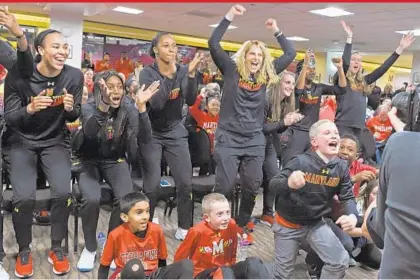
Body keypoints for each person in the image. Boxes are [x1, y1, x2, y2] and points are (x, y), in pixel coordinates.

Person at [209, 4, 296, 240]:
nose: (255, 58)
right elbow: (213, 43)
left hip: (254, 139)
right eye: (252, 54)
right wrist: (229, 16)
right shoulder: (230, 70)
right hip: (228, 137)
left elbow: (290, 54)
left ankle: (240, 223)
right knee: (225, 187)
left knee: (251, 186)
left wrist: (276, 30)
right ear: (245, 56)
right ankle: (217, 223)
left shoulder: (267, 74)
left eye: (259, 55)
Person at [4, 27, 83, 277]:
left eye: (64, 47)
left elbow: (76, 112)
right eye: (56, 46)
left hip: (54, 141)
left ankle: (56, 248)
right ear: (39, 50)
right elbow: (10, 117)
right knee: (24, 198)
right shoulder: (19, 75)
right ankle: (24, 250)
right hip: (20, 141)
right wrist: (29, 108)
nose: (62, 51)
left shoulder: (74, 76)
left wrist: (71, 110)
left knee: (63, 193)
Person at [75, 70, 160, 272]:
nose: (115, 91)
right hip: (88, 160)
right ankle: (90, 247)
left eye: (119, 87)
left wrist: (141, 108)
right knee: (92, 198)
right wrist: (103, 106)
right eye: (109, 86)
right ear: (98, 89)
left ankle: (111, 246)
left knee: (125, 200)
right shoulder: (88, 108)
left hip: (115, 160)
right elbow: (89, 134)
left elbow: (145, 137)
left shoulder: (128, 108)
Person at [269, 119, 358, 279]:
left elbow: (348, 197)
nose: (334, 136)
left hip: (315, 223)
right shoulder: (300, 161)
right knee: (282, 275)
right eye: (327, 133)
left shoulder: (341, 167)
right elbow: (273, 185)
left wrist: (352, 215)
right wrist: (289, 183)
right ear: (314, 142)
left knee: (339, 261)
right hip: (288, 224)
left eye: (336, 133)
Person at [138, 32, 202, 240]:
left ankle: (184, 226)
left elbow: (191, 99)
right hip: (152, 132)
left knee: (185, 182)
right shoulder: (147, 73)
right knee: (152, 184)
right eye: (166, 45)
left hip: (175, 130)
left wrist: (191, 76)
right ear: (156, 50)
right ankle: (147, 224)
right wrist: (170, 76)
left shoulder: (183, 70)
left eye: (174, 45)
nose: (172, 49)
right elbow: (157, 104)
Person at [335, 30, 414, 155]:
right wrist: (349, 38)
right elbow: (344, 64)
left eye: (359, 60)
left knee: (353, 157)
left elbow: (382, 69)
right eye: (353, 59)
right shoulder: (341, 79)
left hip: (359, 126)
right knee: (340, 156)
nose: (356, 62)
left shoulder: (364, 81)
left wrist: (400, 49)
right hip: (343, 125)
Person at [281, 22, 349, 165]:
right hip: (296, 131)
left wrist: (341, 69)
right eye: (309, 69)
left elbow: (341, 89)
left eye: (313, 68)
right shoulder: (294, 88)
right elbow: (299, 90)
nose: (312, 71)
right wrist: (305, 64)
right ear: (301, 71)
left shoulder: (319, 88)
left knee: (309, 166)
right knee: (290, 164)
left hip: (312, 133)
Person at [99, 192, 194, 279]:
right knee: (135, 266)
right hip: (129, 275)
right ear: (125, 217)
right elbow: (104, 266)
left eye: (147, 211)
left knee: (187, 264)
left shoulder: (156, 230)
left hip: (151, 275)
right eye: (139, 212)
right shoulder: (115, 235)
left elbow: (162, 260)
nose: (145, 217)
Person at [174, 193, 270, 279]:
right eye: (220, 214)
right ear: (207, 218)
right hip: (203, 274)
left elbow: (233, 253)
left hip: (225, 271)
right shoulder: (197, 231)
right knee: (225, 271)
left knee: (254, 263)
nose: (226, 218)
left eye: (227, 212)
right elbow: (179, 259)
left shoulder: (231, 224)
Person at [257, 71, 303, 226]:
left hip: (269, 142)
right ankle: (242, 221)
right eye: (287, 82)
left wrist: (287, 122)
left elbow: (277, 129)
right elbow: (260, 127)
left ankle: (268, 213)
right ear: (278, 83)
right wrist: (283, 122)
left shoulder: (286, 103)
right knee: (254, 180)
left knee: (273, 177)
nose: (290, 86)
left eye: (292, 83)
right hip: (254, 141)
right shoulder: (266, 98)